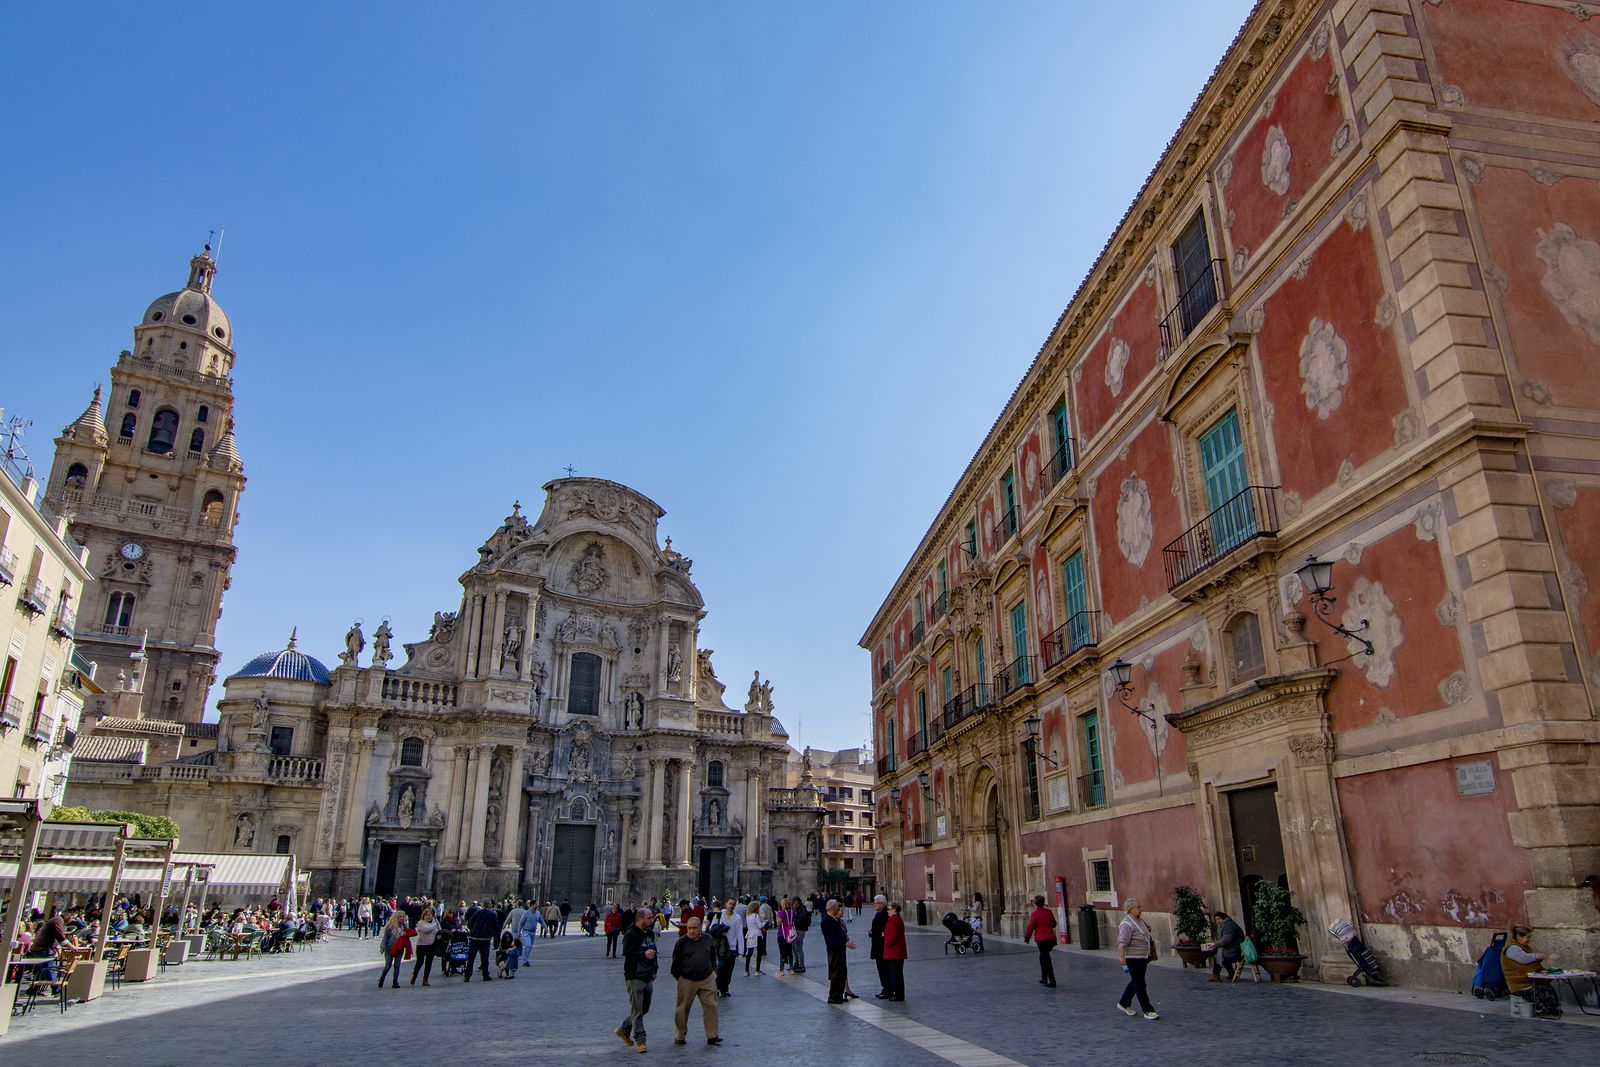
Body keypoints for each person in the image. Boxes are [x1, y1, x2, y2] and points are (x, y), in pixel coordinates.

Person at [670, 915, 722, 1046]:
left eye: (694, 928)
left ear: (700, 928)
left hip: (707, 978)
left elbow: (713, 955)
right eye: (689, 928)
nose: (691, 931)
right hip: (687, 979)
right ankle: (680, 1035)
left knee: (712, 1006)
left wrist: (714, 970)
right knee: (682, 1010)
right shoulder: (681, 942)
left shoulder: (708, 938)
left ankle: (712, 1036)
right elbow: (675, 963)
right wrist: (680, 978)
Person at [616, 906, 658, 1054]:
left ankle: (623, 1029)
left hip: (648, 976)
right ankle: (641, 1040)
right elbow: (627, 952)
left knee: (643, 1009)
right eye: (649, 918)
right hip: (634, 976)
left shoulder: (650, 934)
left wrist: (654, 970)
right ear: (640, 919)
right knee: (637, 1010)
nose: (652, 920)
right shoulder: (631, 934)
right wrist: (643, 954)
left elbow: (654, 951)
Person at [1116, 899, 1159, 1020]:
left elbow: (1144, 931)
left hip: (1142, 957)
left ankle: (1124, 1002)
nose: (1141, 909)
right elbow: (1122, 942)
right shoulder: (1126, 924)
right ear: (1131, 909)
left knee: (1136, 982)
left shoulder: (1138, 920)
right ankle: (1148, 1010)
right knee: (1140, 984)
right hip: (1132, 959)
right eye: (1138, 907)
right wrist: (1122, 958)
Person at [1502, 924, 1559, 1015]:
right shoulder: (1512, 948)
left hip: (1527, 980)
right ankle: (1542, 1009)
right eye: (1527, 937)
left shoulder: (1525, 947)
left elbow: (1529, 963)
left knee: (1547, 987)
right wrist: (1536, 956)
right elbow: (1523, 958)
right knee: (1539, 989)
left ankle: (1552, 1008)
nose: (1529, 940)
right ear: (1518, 937)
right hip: (1519, 984)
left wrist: (1539, 958)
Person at [820, 898, 856, 1004]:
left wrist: (845, 939)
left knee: (841, 972)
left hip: (840, 950)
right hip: (834, 950)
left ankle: (839, 994)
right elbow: (831, 939)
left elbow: (839, 934)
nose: (839, 908)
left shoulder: (835, 919)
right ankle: (834, 996)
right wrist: (845, 943)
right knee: (836, 973)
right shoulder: (827, 921)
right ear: (832, 908)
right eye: (837, 907)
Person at [1025, 894, 1058, 987]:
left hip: (1041, 939)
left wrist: (1026, 939)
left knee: (1046, 959)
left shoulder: (1035, 914)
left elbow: (1030, 927)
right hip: (1051, 938)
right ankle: (1044, 978)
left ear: (1035, 903)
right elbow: (1054, 924)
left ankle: (1052, 981)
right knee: (1043, 957)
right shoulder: (1048, 912)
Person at [465, 899, 500, 982]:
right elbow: (495, 926)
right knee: (484, 958)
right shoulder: (493, 914)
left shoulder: (476, 912)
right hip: (485, 938)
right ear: (490, 905)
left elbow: (469, 924)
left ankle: (467, 975)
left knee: (471, 958)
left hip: (474, 938)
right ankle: (485, 975)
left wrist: (473, 930)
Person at [378, 909, 411, 989]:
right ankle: (382, 978)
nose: (401, 918)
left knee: (397, 965)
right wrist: (382, 947)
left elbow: (409, 936)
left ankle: (395, 982)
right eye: (400, 917)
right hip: (389, 948)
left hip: (399, 948)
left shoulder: (405, 926)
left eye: (403, 917)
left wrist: (406, 934)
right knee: (388, 965)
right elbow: (385, 937)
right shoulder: (390, 926)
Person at [708, 906, 737, 997]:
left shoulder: (735, 917)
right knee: (721, 971)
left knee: (727, 972)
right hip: (720, 955)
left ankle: (724, 989)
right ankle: (717, 988)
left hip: (729, 952)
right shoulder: (717, 919)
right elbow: (712, 928)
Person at [1208, 910, 1244, 982]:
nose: (1217, 921)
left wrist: (1216, 944)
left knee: (1217, 955)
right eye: (1216, 920)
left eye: (1219, 919)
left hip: (1234, 951)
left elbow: (1227, 939)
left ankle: (1216, 975)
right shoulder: (1224, 925)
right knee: (1216, 952)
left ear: (1224, 918)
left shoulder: (1228, 925)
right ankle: (1231, 973)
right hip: (1232, 949)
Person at [882, 901, 907, 1001]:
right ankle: (899, 994)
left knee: (895, 974)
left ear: (894, 909)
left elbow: (893, 935)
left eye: (889, 909)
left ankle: (898, 994)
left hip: (894, 951)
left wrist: (887, 942)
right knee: (898, 973)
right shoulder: (897, 919)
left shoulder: (893, 920)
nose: (887, 911)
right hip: (898, 951)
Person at [411, 905, 440, 986]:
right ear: (423, 915)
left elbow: (439, 930)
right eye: (426, 915)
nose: (428, 916)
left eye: (430, 915)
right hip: (421, 945)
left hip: (431, 945)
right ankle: (414, 975)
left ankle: (425, 979)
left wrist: (439, 935)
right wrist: (435, 923)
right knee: (419, 962)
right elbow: (427, 929)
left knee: (429, 963)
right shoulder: (420, 923)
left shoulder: (435, 922)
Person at [868, 894, 890, 998]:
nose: (874, 905)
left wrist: (874, 933)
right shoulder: (879, 914)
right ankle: (885, 988)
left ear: (881, 903)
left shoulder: (884, 915)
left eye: (876, 903)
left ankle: (887, 989)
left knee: (884, 968)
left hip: (881, 947)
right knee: (881, 968)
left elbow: (883, 932)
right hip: (878, 946)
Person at [774, 898, 796, 977]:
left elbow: (778, 923)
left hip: (782, 934)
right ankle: (791, 969)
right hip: (790, 935)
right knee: (790, 952)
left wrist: (777, 915)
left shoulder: (782, 913)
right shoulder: (792, 912)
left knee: (782, 952)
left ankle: (781, 970)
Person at [743, 900, 765, 975]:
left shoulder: (748, 916)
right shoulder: (756, 915)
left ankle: (746, 970)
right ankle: (757, 970)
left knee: (749, 953)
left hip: (750, 935)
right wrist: (765, 922)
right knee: (759, 953)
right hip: (757, 935)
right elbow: (760, 926)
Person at [791, 895, 811, 973]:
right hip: (794, 930)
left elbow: (802, 920)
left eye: (794, 902)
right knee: (794, 948)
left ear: (797, 902)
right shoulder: (795, 909)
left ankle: (801, 965)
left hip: (800, 930)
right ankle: (796, 963)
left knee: (798, 948)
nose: (793, 903)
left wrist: (793, 920)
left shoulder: (802, 910)